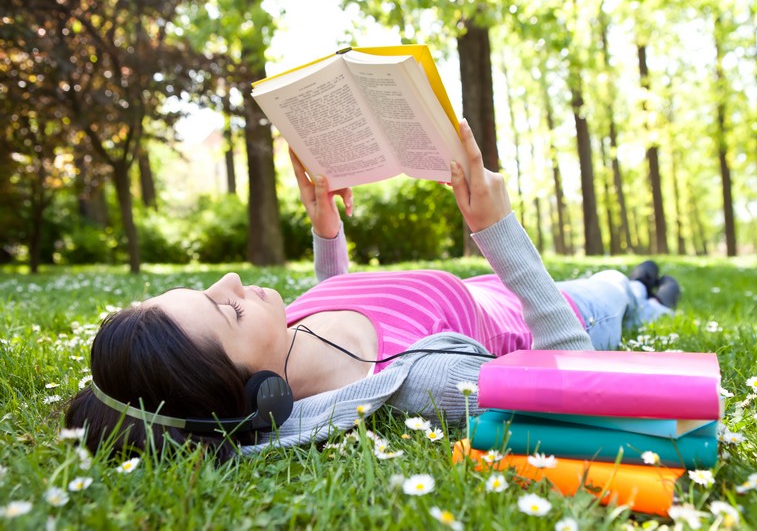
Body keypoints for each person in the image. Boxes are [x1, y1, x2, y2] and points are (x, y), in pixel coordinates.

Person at [65, 120, 679, 459]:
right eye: (224, 310)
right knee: (612, 288)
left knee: (618, 281)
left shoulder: (283, 333)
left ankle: (642, 289)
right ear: (260, 392)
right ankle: (645, 297)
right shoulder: (420, 384)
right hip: (547, 305)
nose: (231, 282)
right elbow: (572, 383)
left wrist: (327, 232)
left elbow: (339, 303)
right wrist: (500, 232)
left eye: (206, 288)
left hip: (483, 287)